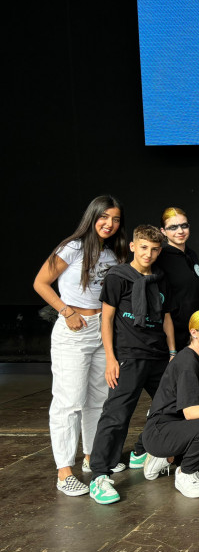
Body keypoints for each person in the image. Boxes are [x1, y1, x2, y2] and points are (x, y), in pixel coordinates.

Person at [33, 195, 128, 497]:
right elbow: (40, 282)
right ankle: (64, 472)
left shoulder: (112, 254)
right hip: (74, 331)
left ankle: (91, 457)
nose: (109, 224)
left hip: (101, 331)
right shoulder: (72, 248)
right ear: (93, 216)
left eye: (115, 219)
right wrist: (66, 311)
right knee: (69, 402)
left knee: (97, 401)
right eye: (104, 217)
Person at [88, 225, 176, 505]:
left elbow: (166, 318)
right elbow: (107, 319)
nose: (149, 253)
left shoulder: (161, 278)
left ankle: (141, 450)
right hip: (128, 356)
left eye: (154, 249)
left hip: (159, 356)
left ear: (159, 250)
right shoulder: (118, 277)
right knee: (116, 415)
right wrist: (111, 358)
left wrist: (173, 352)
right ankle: (100, 476)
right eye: (144, 247)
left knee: (172, 406)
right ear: (133, 247)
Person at [141, 310, 199, 499]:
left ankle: (167, 457)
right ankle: (185, 473)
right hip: (160, 432)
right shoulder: (188, 362)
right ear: (194, 332)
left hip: (178, 427)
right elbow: (190, 412)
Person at [156, 207, 199, 350]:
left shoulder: (192, 254)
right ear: (163, 231)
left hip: (195, 331)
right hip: (172, 335)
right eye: (173, 227)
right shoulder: (160, 258)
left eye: (184, 225)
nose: (180, 231)